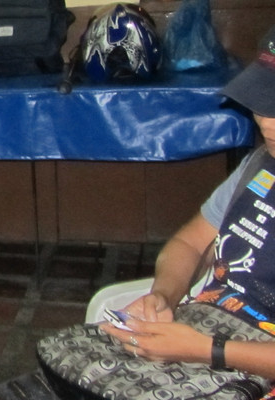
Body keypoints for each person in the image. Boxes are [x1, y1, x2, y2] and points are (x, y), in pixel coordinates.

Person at [91, 25, 275, 382]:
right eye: (262, 101)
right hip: (210, 331)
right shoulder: (258, 166)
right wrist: (164, 296)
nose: (266, 121)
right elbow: (190, 243)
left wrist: (208, 350)